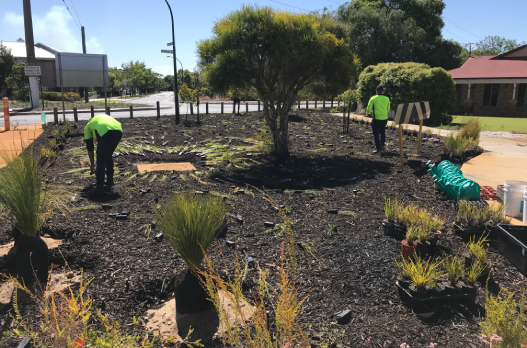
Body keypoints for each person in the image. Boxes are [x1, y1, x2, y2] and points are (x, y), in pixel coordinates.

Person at [84, 114, 123, 196]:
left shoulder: (88, 126)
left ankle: (99, 187)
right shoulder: (98, 120)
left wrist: (92, 164)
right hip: (119, 130)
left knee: (101, 158)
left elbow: (90, 148)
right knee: (108, 155)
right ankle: (109, 182)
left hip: (107, 131)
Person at [366, 85, 390, 154]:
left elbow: (368, 109)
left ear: (376, 91)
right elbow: (388, 109)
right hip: (384, 118)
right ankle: (382, 145)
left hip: (376, 118)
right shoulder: (387, 98)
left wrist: (369, 113)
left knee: (376, 133)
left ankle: (378, 148)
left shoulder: (373, 98)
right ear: (383, 91)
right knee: (382, 132)